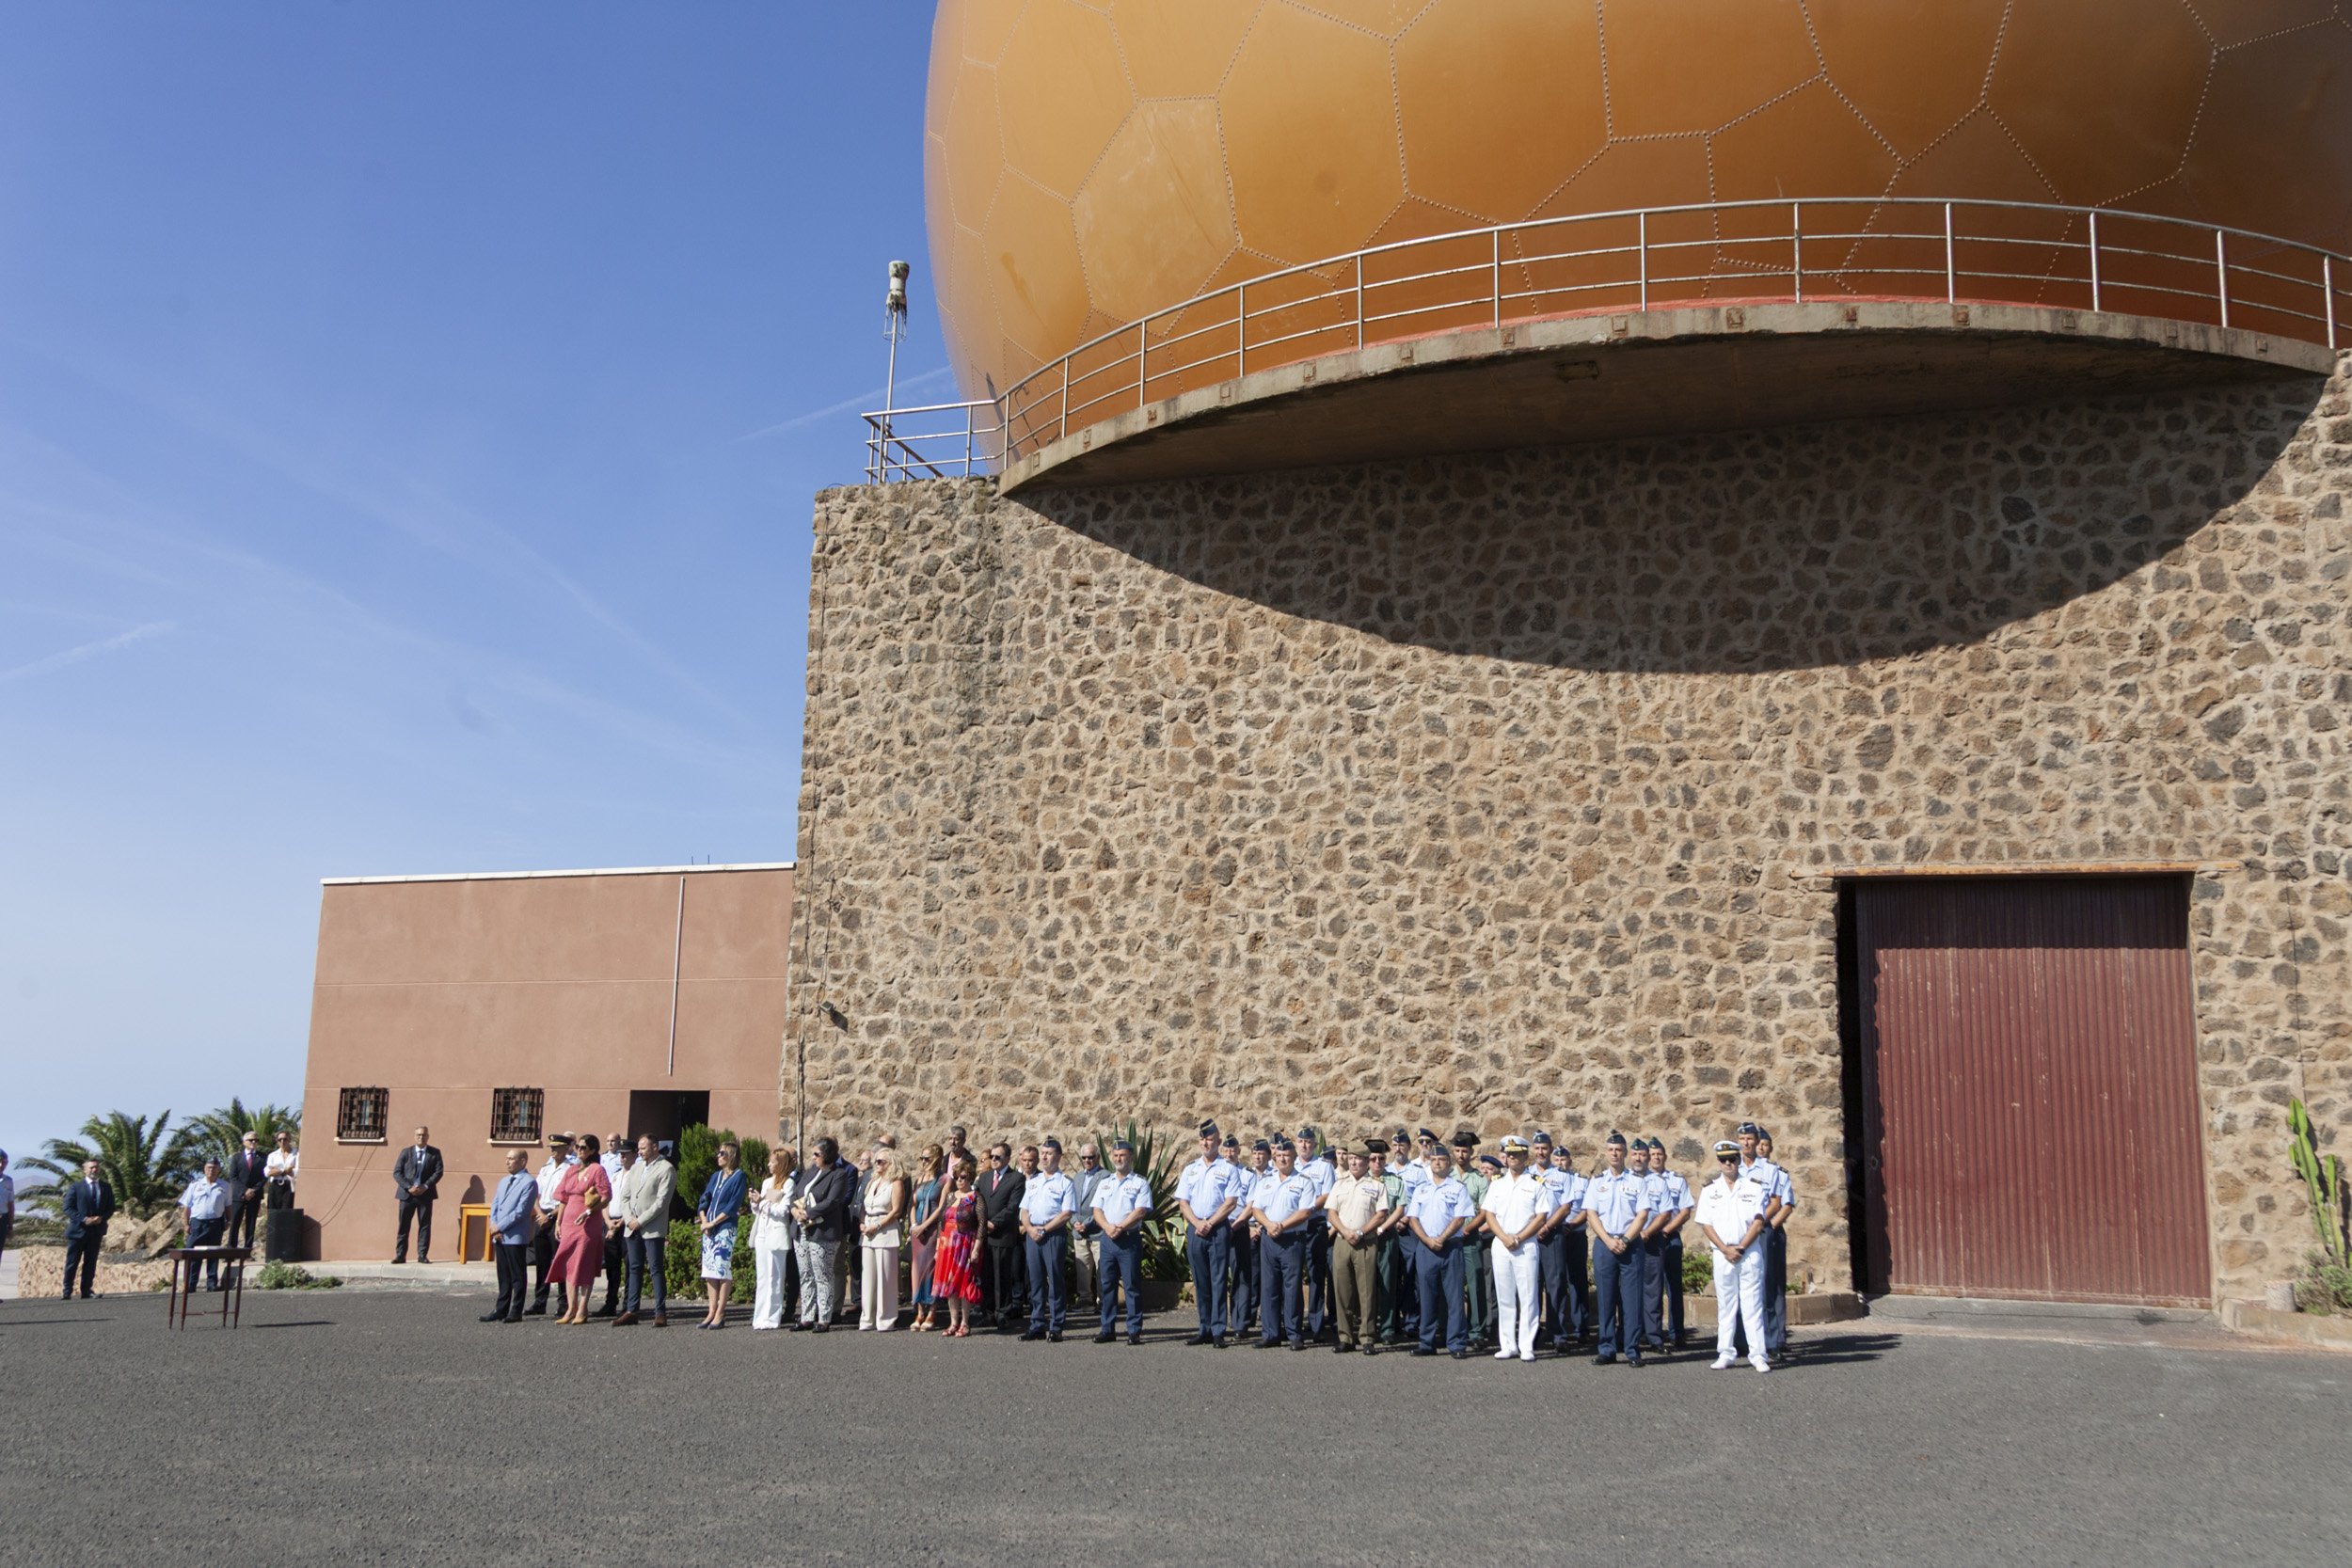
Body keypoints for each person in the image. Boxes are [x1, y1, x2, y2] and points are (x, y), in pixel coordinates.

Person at [1697, 1140, 1772, 1372]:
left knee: (1752, 1305)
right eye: (1723, 1160)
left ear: (1739, 1161)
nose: (1728, 1164)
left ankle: (1758, 1354)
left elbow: (1758, 1221)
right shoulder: (1710, 1190)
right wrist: (1725, 1248)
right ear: (1718, 1163)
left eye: (1732, 1159)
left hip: (1748, 1253)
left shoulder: (1754, 1187)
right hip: (1722, 1254)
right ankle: (1726, 1352)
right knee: (1726, 1306)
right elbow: (1706, 1224)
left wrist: (1739, 1247)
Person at [1481, 1135, 1553, 1363]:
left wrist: (1520, 1237)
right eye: (1509, 1154)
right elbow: (1489, 1214)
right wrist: (1503, 1237)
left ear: (1525, 1156)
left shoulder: (1535, 1183)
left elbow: (1541, 1216)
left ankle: (1526, 1345)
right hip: (1501, 1244)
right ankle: (1508, 1344)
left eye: (1518, 1154)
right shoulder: (1497, 1183)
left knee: (1528, 1296)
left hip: (1526, 1245)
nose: (1513, 1158)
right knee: (1504, 1296)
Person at [1584, 1131, 1650, 1367]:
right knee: (1606, 1298)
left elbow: (1642, 1214)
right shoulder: (1597, 1182)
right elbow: (1591, 1213)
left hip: (1630, 1245)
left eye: (1619, 1150)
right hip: (1605, 1244)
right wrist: (1608, 1239)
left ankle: (1632, 1350)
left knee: (1631, 1300)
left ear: (1625, 1153)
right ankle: (1607, 1348)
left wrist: (1625, 1238)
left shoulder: (1637, 1182)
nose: (1614, 1154)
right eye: (1611, 1150)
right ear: (1606, 1153)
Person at [1405, 1144, 1476, 1358]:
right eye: (1434, 1160)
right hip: (1426, 1249)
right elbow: (1413, 1218)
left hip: (1450, 1248)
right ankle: (1427, 1342)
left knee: (1454, 1298)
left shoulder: (1458, 1188)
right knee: (1426, 1297)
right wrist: (1427, 1240)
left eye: (1442, 1160)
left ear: (1449, 1163)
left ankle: (1456, 1344)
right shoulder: (1421, 1189)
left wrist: (1442, 1238)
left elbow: (1460, 1217)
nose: (1437, 1163)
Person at [1174, 1120, 1242, 1347]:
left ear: (1218, 1142)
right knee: (1201, 1280)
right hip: (1196, 1229)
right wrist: (1197, 1223)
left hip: (1218, 1228)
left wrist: (1210, 1223)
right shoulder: (1190, 1169)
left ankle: (1218, 1330)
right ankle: (1203, 1327)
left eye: (1210, 1139)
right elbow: (1183, 1202)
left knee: (1218, 1279)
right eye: (1202, 1139)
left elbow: (1231, 1202)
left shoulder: (1228, 1169)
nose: (1205, 1143)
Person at [1248, 1137, 1317, 1350]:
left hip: (1292, 1240)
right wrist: (1269, 1225)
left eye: (1286, 1156)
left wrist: (1281, 1225)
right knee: (1269, 1288)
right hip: (1269, 1239)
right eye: (1278, 1156)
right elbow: (1256, 1209)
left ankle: (1294, 1333)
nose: (1282, 1159)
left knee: (1292, 1288)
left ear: (1294, 1157)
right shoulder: (1266, 1181)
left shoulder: (1304, 1181)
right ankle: (1270, 1333)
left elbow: (1305, 1211)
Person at [1326, 1138, 1391, 1354]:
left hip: (1366, 1242)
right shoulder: (1339, 1184)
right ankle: (1345, 1337)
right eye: (1351, 1159)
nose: (1354, 1163)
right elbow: (1332, 1213)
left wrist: (1362, 1232)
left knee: (1367, 1291)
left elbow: (1381, 1214)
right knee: (1342, 1290)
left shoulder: (1376, 1186)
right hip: (1343, 1241)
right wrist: (1345, 1231)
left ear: (1366, 1162)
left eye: (1359, 1159)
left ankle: (1367, 1337)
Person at [1089, 1138, 1152, 1345]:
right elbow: (1096, 1210)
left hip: (1128, 1240)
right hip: (1107, 1239)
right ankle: (1107, 1328)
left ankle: (1134, 1330)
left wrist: (1121, 1227)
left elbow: (1141, 1210)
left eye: (1122, 1155)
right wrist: (1108, 1227)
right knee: (1106, 1285)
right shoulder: (1105, 1183)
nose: (1118, 1159)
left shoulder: (1139, 1183)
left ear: (1130, 1157)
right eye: (1115, 1156)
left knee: (1132, 1285)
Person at [791, 1138, 854, 1331]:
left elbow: (833, 1201)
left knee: (822, 1275)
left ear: (827, 1155)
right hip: (801, 1229)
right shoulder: (810, 1172)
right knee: (806, 1274)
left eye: (817, 1154)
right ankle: (807, 1316)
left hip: (822, 1232)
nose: (814, 1158)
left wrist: (809, 1213)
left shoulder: (839, 1175)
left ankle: (824, 1318)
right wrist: (795, 1211)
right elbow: (796, 1193)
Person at [1533, 1136, 1587, 1354]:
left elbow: (1566, 1207)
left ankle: (1557, 1333)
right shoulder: (1527, 1174)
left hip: (1553, 1233)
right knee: (1532, 1286)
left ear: (1550, 1150)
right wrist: (1534, 1227)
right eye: (1536, 1148)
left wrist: (1547, 1227)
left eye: (1544, 1148)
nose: (1540, 1152)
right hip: (1530, 1234)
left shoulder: (1562, 1176)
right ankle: (1533, 1333)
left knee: (1555, 1285)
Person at [613, 1134, 675, 1327]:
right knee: (634, 1267)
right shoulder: (636, 1168)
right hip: (632, 1227)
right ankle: (632, 1310)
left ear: (655, 1148)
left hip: (651, 1228)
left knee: (656, 1268)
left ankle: (660, 1311)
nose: (639, 1152)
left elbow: (662, 1202)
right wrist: (629, 1219)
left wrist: (640, 1220)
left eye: (643, 1148)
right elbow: (624, 1197)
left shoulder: (666, 1168)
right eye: (639, 1148)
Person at [1019, 1136, 1077, 1341]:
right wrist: (1030, 1228)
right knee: (1035, 1282)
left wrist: (1043, 1229)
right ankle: (1036, 1324)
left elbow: (1066, 1213)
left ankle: (1056, 1326)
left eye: (1049, 1153)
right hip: (1033, 1235)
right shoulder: (1033, 1182)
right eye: (1042, 1153)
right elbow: (1024, 1210)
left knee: (1055, 1281)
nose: (1044, 1157)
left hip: (1052, 1235)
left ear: (1058, 1156)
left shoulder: (1065, 1183)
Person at [551, 1134, 613, 1326]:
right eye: (578, 1146)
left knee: (584, 1264)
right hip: (569, 1222)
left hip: (587, 1224)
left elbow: (606, 1196)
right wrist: (558, 1222)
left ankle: (583, 1308)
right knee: (569, 1264)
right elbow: (563, 1198)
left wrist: (588, 1212)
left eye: (584, 1147)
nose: (579, 1150)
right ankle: (571, 1308)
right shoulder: (571, 1170)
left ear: (593, 1151)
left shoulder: (597, 1170)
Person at [1646, 1139, 1695, 1350]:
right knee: (1651, 1289)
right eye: (1653, 1154)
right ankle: (1653, 1333)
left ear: (1665, 1156)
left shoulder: (1677, 1181)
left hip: (1671, 1237)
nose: (1656, 1157)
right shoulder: (1642, 1181)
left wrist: (1666, 1230)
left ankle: (1677, 1333)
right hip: (1649, 1239)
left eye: (1659, 1153)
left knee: (1673, 1287)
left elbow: (1685, 1211)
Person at [694, 1140, 747, 1330]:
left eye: (722, 1153)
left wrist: (714, 1222)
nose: (718, 1156)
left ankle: (721, 1312)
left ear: (731, 1155)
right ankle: (711, 1310)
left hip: (724, 1227)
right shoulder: (716, 1176)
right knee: (709, 1270)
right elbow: (705, 1198)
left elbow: (732, 1205)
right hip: (708, 1227)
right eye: (718, 1153)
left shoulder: (739, 1177)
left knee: (722, 1268)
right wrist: (703, 1219)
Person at [1375, 1130, 1422, 1344]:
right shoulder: (1384, 1170)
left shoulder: (1417, 1171)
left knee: (1411, 1272)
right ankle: (1390, 1322)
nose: (1398, 1148)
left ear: (1409, 1147)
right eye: (1395, 1145)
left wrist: (1405, 1218)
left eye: (1403, 1145)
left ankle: (1411, 1321)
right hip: (1389, 1228)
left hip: (1410, 1227)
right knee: (1388, 1279)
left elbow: (1420, 1198)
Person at [976, 1141, 1027, 1330]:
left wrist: (994, 1223)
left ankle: (1002, 1313)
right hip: (984, 1235)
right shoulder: (984, 1177)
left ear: (1007, 1158)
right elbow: (978, 1201)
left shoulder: (1016, 1179)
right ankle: (988, 1312)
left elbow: (1013, 1207)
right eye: (992, 1157)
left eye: (998, 1157)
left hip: (1002, 1234)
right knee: (986, 1275)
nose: (994, 1160)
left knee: (1002, 1276)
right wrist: (980, 1223)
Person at [859, 1143, 911, 1331]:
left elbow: (896, 1211)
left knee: (885, 1278)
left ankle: (885, 1318)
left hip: (885, 1229)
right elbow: (864, 1207)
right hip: (869, 1230)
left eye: (881, 1161)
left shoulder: (895, 1183)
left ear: (891, 1163)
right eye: (875, 1161)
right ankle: (868, 1318)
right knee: (869, 1278)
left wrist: (878, 1225)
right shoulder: (872, 1182)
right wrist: (863, 1223)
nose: (877, 1164)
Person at [484, 1149, 539, 1323]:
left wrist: (500, 1226)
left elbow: (521, 1212)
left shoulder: (529, 1182)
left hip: (515, 1236)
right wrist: (494, 1226)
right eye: (506, 1158)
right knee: (503, 1274)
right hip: (499, 1235)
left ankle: (516, 1310)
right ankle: (501, 1309)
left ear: (523, 1161)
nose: (507, 1162)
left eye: (511, 1159)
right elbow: (496, 1205)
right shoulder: (504, 1181)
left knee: (517, 1275)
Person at [1756, 1129, 1796, 1357]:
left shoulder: (1779, 1173)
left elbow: (1786, 1205)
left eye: (1765, 1144)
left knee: (1775, 1285)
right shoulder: (1746, 1172)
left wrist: (1768, 1226)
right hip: (1754, 1233)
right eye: (1758, 1144)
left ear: (1770, 1148)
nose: (1761, 1147)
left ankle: (1779, 1336)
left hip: (1772, 1232)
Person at [932, 1156, 983, 1338]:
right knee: (950, 1285)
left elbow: (981, 1225)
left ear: (970, 1178)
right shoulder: (951, 1196)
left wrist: (976, 1248)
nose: (960, 1181)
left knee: (963, 1283)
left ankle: (965, 1323)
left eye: (964, 1177)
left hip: (965, 1245)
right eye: (957, 1177)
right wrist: (938, 1246)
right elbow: (942, 1223)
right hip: (948, 1246)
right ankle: (953, 1322)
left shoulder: (975, 1198)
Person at [1294, 1126, 1336, 1340]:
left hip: (1315, 1224)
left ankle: (1316, 1325)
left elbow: (1327, 1194)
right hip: (1293, 1227)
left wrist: (1307, 1209)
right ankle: (1293, 1323)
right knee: (1292, 1276)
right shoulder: (1288, 1165)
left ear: (1314, 1144)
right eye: (1301, 1142)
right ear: (1296, 1143)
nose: (1305, 1145)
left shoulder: (1324, 1167)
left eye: (1309, 1142)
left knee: (1316, 1276)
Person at [751, 1148, 799, 1331]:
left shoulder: (788, 1184)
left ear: (781, 1164)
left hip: (777, 1233)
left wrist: (762, 1203)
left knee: (775, 1277)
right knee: (763, 1277)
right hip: (762, 1232)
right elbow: (760, 1209)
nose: (769, 1164)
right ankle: (760, 1316)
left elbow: (783, 1211)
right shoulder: (766, 1182)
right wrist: (756, 1203)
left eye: (773, 1162)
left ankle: (772, 1317)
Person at [1224, 1134, 1266, 1339]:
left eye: (1233, 1150)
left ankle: (1240, 1323)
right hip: (1216, 1227)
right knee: (1216, 1278)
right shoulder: (1216, 1172)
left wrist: (1240, 1223)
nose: (1229, 1153)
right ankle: (1216, 1323)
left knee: (1242, 1276)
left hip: (1239, 1226)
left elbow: (1252, 1203)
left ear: (1239, 1151)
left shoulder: (1248, 1175)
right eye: (1226, 1150)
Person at [1454, 1133, 1494, 1351]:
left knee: (1476, 1283)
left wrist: (1468, 1228)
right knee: (1451, 1286)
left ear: (1471, 1153)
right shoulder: (1446, 1175)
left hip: (1470, 1237)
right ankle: (1452, 1328)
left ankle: (1476, 1331)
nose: (1461, 1155)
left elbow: (1485, 1210)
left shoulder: (1479, 1179)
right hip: (1449, 1239)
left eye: (1465, 1151)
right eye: (1458, 1151)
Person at [528, 1133, 573, 1316]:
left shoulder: (571, 1169)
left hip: (557, 1217)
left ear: (565, 1148)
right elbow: (535, 1194)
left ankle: (564, 1303)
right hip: (541, 1217)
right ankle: (540, 1301)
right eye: (551, 1148)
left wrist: (551, 1216)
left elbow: (568, 1198)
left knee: (560, 1260)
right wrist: (539, 1213)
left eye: (556, 1147)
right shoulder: (545, 1168)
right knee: (542, 1262)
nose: (553, 1151)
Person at [59, 1158, 115, 1300]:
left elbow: (111, 1208)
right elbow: (68, 1208)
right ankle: (67, 1291)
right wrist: (84, 1219)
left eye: (96, 1167)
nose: (94, 1170)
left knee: (91, 1262)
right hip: (78, 1231)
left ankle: (86, 1290)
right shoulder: (76, 1187)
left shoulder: (106, 1187)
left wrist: (102, 1218)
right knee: (72, 1262)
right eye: (91, 1168)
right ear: (85, 1170)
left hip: (96, 1232)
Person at [180, 1156, 236, 1293]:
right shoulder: (195, 1185)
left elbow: (228, 1205)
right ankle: (190, 1284)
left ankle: (212, 1284)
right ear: (204, 1169)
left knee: (213, 1254)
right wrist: (186, 1224)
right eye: (209, 1168)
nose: (212, 1170)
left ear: (219, 1170)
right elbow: (187, 1207)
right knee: (193, 1255)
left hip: (215, 1224)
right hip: (197, 1224)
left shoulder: (225, 1186)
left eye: (215, 1168)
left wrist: (229, 1221)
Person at [390, 1125, 442, 1265]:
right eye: (419, 1135)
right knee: (403, 1226)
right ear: (415, 1137)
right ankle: (400, 1255)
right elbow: (397, 1172)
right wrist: (409, 1187)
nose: (421, 1137)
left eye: (424, 1135)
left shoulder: (435, 1153)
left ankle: (422, 1255)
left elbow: (438, 1172)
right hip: (407, 1196)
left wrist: (425, 1186)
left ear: (428, 1136)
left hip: (425, 1195)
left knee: (425, 1226)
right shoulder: (406, 1152)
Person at [595, 1132, 632, 1317]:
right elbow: (606, 1199)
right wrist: (608, 1221)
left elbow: (635, 1203)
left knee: (629, 1267)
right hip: (610, 1222)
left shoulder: (636, 1176)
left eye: (625, 1153)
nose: (622, 1157)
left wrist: (619, 1223)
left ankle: (628, 1305)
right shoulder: (616, 1176)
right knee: (612, 1267)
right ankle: (610, 1302)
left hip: (626, 1224)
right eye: (620, 1154)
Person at [909, 1147, 946, 1332]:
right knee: (917, 1270)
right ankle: (920, 1309)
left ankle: (932, 1309)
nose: (923, 1162)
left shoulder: (945, 1179)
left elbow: (940, 1207)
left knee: (931, 1269)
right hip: (918, 1232)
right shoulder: (919, 1180)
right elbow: (914, 1204)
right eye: (921, 1158)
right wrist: (915, 1225)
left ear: (936, 1159)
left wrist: (925, 1226)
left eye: (926, 1158)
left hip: (932, 1230)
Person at [1067, 1142, 1106, 1311]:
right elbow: (1071, 1202)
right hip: (1079, 1231)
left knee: (1101, 1268)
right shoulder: (1078, 1177)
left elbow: (1104, 1204)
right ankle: (1084, 1298)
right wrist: (1074, 1221)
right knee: (1082, 1267)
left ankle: (1103, 1300)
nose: (1087, 1160)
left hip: (1097, 1230)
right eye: (1084, 1157)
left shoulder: (1106, 1177)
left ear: (1097, 1157)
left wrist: (1087, 1223)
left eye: (1091, 1157)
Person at [225, 1132, 269, 1252]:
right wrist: (245, 1190)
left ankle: (247, 1249)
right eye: (251, 1140)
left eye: (256, 1140)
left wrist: (253, 1190)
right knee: (235, 1222)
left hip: (254, 1195)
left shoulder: (263, 1157)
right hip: (239, 1195)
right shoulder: (237, 1157)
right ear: (244, 1142)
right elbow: (233, 1177)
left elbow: (264, 1176)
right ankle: (231, 1249)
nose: (253, 1142)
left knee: (251, 1222)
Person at [264, 1130, 299, 1213]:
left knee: (286, 1213)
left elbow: (296, 1172)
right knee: (273, 1212)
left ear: (289, 1140)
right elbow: (268, 1172)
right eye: (280, 1140)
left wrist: (277, 1170)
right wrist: (284, 1170)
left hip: (289, 1186)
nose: (282, 1141)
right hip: (275, 1185)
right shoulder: (273, 1155)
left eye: (285, 1139)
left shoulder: (297, 1154)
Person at [0, 1148, 12, 1266]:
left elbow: (10, 1204)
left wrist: (10, 1224)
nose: (2, 1165)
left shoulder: (8, 1181)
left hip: (1, 1220)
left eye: (4, 1162)